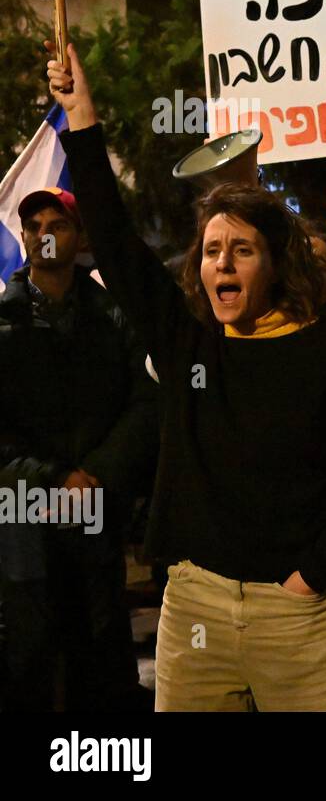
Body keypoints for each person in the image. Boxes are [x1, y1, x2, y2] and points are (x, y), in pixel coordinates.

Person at [48, 42, 326, 711]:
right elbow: (117, 244)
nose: (222, 264)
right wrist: (82, 120)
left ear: (274, 262)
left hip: (302, 617)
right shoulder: (187, 341)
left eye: (241, 250)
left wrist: (311, 574)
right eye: (211, 251)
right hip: (195, 611)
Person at [0, 186, 158, 711]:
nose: (45, 235)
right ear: (23, 240)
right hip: (23, 509)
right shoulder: (5, 325)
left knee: (102, 641)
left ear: (80, 237)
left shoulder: (113, 318)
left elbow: (144, 402)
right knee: (30, 648)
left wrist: (94, 473)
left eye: (58, 225)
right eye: (35, 227)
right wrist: (52, 478)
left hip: (96, 503)